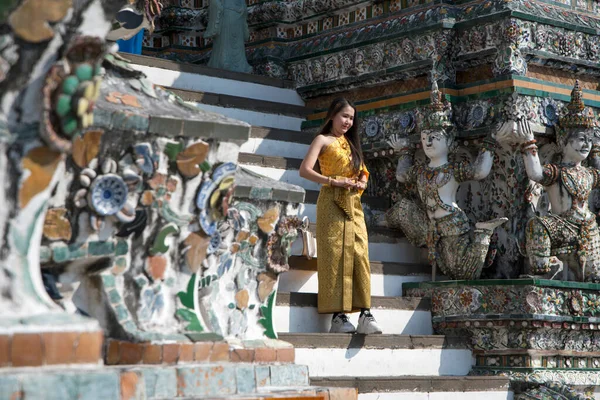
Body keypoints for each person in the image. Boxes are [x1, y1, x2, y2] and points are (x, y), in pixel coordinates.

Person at [388, 81, 507, 280]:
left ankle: (482, 234)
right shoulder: (420, 170)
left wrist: (490, 141)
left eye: (434, 137)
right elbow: (401, 175)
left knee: (462, 272)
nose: (428, 142)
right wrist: (405, 151)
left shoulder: (453, 170)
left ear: (450, 142)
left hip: (452, 224)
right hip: (428, 226)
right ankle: (382, 221)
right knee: (402, 208)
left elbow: (480, 172)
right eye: (425, 137)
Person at [498, 81, 600, 281]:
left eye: (588, 140)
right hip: (562, 225)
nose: (585, 144)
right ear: (563, 141)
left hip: (589, 228)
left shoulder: (590, 173)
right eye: (580, 139)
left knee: (594, 276)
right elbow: (536, 174)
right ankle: (542, 271)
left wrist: (596, 148)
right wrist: (528, 142)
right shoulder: (557, 172)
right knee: (538, 225)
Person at [299, 98, 382, 334]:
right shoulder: (322, 140)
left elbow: (363, 170)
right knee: (335, 255)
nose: (347, 121)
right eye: (344, 116)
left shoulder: (351, 144)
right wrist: (333, 181)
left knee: (359, 253)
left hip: (353, 204)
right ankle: (338, 316)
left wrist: (361, 180)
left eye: (351, 118)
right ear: (333, 115)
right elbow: (305, 170)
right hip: (330, 202)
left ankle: (365, 313)